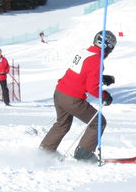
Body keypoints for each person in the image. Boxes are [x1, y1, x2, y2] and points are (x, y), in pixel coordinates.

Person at [39, 30, 117, 162]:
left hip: (59, 93)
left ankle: (45, 151)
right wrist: (104, 95)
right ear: (107, 46)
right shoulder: (97, 60)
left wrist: (101, 78)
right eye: (112, 47)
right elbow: (91, 87)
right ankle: (84, 154)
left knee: (62, 124)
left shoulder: (85, 52)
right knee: (98, 122)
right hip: (72, 98)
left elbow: (82, 72)